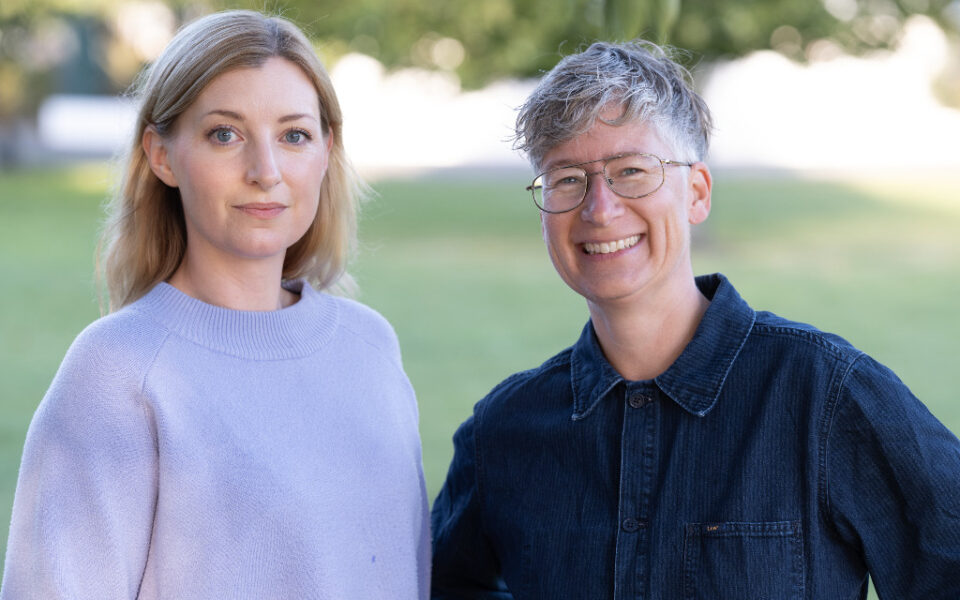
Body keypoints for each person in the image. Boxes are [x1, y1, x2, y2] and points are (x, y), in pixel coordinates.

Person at [430, 40, 960, 599]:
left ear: (698, 193)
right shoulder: (505, 431)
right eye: (566, 179)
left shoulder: (824, 395)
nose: (599, 209)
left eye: (631, 171)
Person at [0, 10, 429, 599]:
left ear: (326, 151)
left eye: (294, 135)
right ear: (162, 155)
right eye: (224, 134)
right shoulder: (116, 373)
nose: (265, 172)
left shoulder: (370, 346)